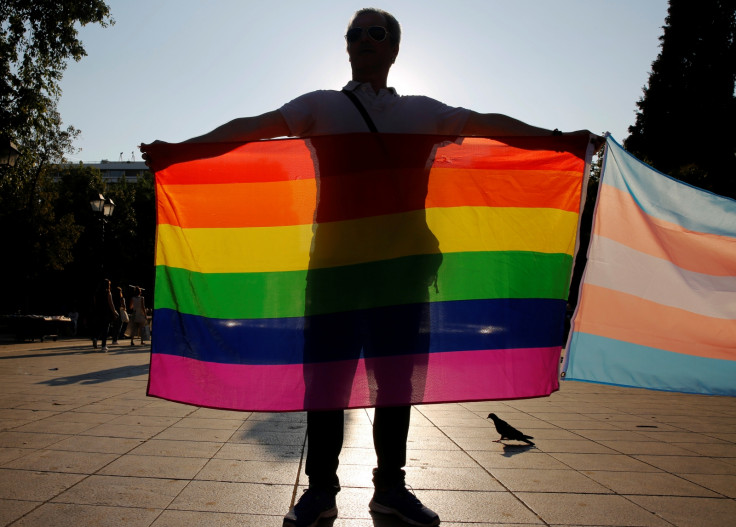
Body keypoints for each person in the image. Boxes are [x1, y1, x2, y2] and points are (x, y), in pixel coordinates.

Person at [142, 8, 599, 527]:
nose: (361, 41)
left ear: (394, 47)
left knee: (396, 386)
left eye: (374, 33)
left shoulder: (424, 113)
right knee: (327, 387)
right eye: (353, 34)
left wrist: (558, 139)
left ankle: (391, 489)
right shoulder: (320, 106)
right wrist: (182, 151)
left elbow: (491, 125)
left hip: (400, 273)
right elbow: (252, 128)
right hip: (334, 270)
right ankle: (320, 492)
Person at [92, 278, 118, 352]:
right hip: (106, 313)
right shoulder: (108, 293)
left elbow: (95, 303)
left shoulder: (96, 293)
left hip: (98, 312)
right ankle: (103, 346)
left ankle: (95, 338)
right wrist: (115, 312)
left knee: (99, 326)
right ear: (108, 285)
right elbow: (111, 304)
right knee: (105, 329)